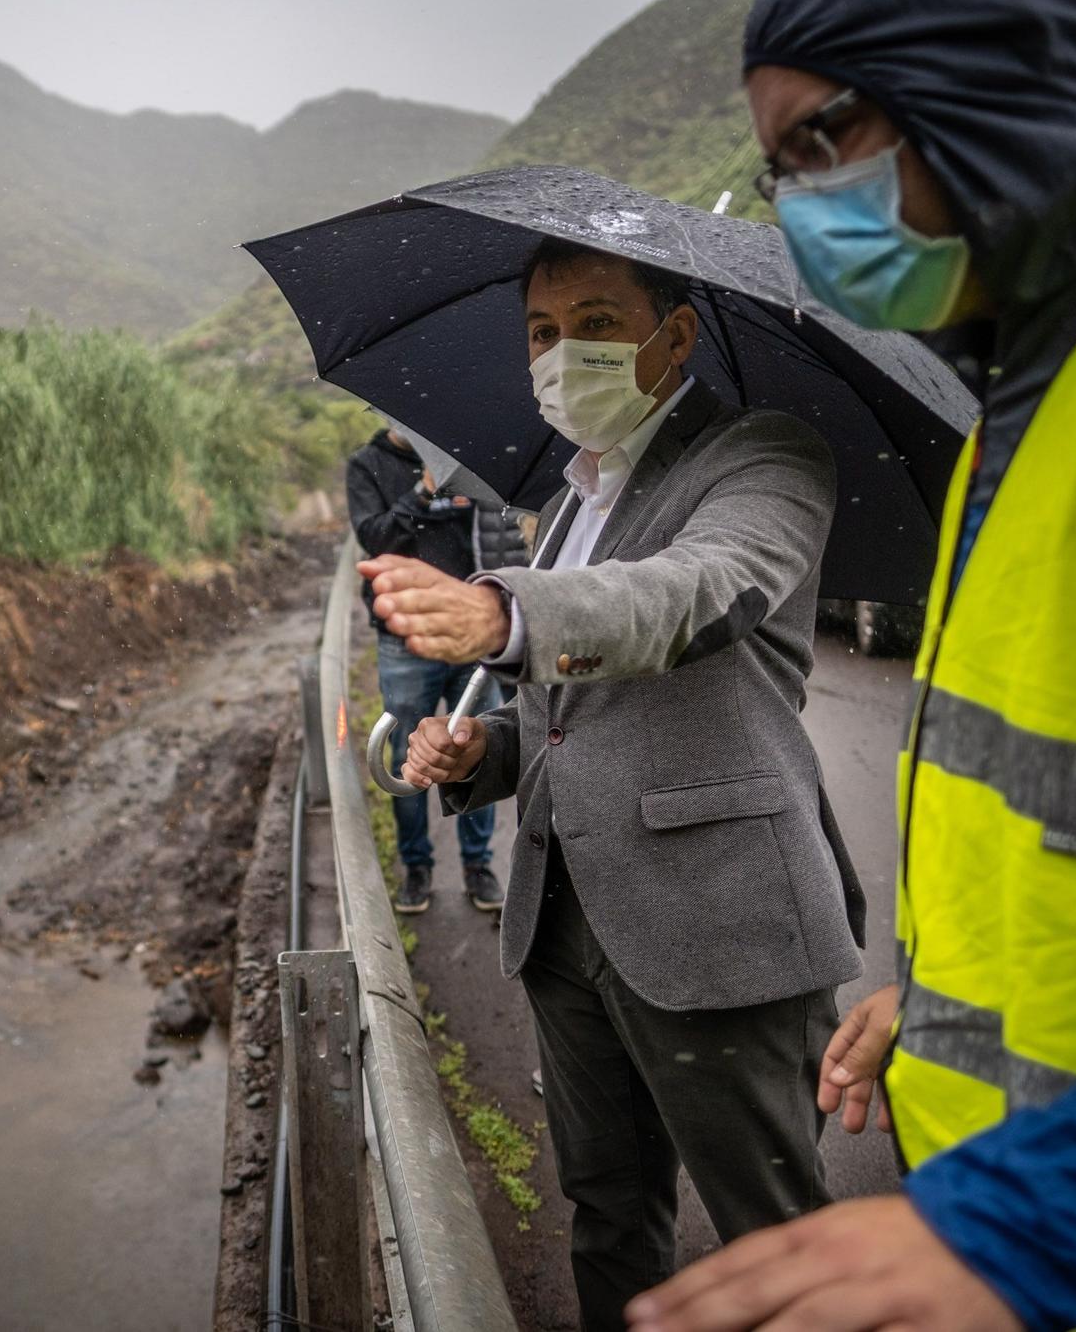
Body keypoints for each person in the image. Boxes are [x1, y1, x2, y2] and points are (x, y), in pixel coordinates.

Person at [621, 1, 1076, 1332]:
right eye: (781, 174)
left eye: (823, 139)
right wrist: (937, 1007)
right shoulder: (1035, 388)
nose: (807, 206)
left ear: (989, 77)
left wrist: (1039, 1220)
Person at [362, 238, 866, 1332]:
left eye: (593, 322)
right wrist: (482, 752)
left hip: (716, 920)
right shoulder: (567, 500)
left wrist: (506, 612)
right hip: (564, 922)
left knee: (773, 1238)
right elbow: (571, 714)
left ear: (672, 335)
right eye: (541, 334)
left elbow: (692, 595)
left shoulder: (762, 458)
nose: (560, 354)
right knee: (604, 1210)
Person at [346, 416, 526, 913]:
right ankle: (417, 866)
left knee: (471, 746)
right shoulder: (368, 465)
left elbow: (496, 532)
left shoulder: (463, 455)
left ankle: (477, 865)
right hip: (404, 644)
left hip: (471, 638)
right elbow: (377, 538)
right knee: (408, 758)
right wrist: (424, 489)